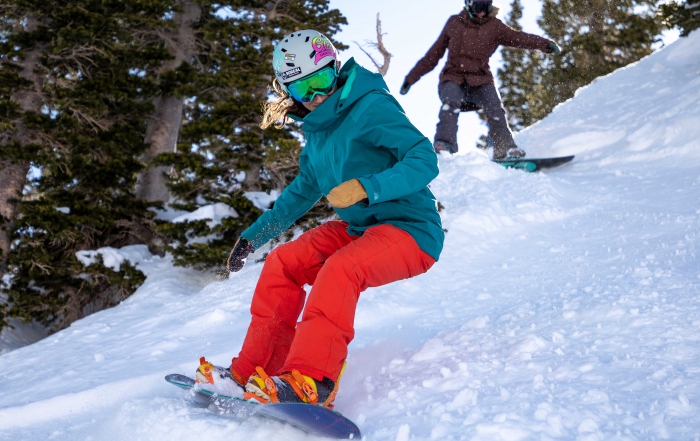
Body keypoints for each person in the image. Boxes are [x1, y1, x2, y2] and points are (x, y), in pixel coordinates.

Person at [195, 29, 444, 407]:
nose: (315, 97)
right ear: (288, 93)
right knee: (284, 263)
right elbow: (298, 196)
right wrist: (253, 238)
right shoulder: (317, 136)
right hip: (361, 229)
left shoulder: (370, 106)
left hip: (411, 229)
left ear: (335, 70)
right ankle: (252, 372)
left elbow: (423, 157)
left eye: (322, 81)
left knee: (341, 269)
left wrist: (367, 187)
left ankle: (312, 380)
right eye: (302, 90)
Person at [400, 0, 561, 158]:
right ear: (469, 5)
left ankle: (505, 149)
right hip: (453, 78)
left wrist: (545, 44)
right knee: (450, 102)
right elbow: (432, 56)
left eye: (486, 7)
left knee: (495, 107)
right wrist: (410, 79)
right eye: (479, 7)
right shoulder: (454, 23)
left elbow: (519, 38)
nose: (483, 12)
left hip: (480, 79)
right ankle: (444, 144)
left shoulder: (494, 26)